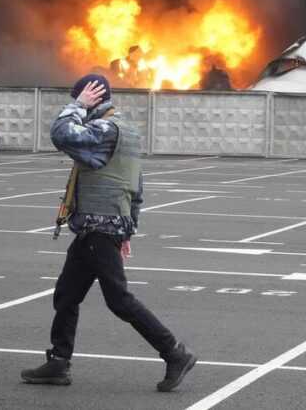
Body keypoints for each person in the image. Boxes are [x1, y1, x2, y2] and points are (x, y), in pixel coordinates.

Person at [20, 73, 196, 392]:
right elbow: (135, 187)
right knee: (67, 294)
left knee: (119, 300)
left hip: (99, 230)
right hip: (99, 229)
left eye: (83, 98)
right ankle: (58, 362)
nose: (79, 105)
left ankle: (174, 353)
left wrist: (77, 105)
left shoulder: (105, 129)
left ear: (93, 96)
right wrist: (128, 230)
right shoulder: (127, 130)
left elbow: (61, 134)